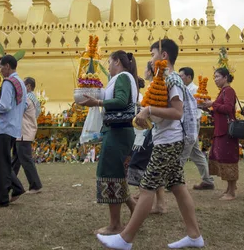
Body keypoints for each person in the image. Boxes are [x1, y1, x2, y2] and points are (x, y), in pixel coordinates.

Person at [97, 39, 204, 250]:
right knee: (178, 187)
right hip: (166, 139)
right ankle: (194, 235)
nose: (151, 59)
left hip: (169, 142)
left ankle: (125, 239)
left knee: (147, 189)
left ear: (164, 56)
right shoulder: (164, 78)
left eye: (153, 54)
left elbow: (177, 112)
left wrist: (149, 110)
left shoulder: (172, 79)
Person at [80, 51, 138, 235]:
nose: (108, 65)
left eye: (110, 61)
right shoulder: (122, 78)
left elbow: (121, 100)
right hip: (118, 130)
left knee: (111, 173)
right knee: (117, 173)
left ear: (118, 62)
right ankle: (134, 209)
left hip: (119, 131)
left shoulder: (122, 77)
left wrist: (97, 101)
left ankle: (115, 225)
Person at [0, 55, 27, 207]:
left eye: (1, 67)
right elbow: (25, 106)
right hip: (14, 127)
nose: (0, 70)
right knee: (3, 162)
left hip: (4, 127)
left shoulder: (9, 82)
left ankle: (2, 198)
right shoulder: (21, 83)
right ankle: (16, 188)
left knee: (0, 164)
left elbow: (4, 106)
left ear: (7, 66)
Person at [127, 61, 166, 214]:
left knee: (142, 164)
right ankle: (159, 203)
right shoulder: (152, 87)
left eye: (146, 68)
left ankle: (156, 202)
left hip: (153, 131)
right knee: (151, 165)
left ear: (151, 71)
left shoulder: (156, 88)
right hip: (148, 131)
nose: (144, 71)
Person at [201, 68, 238, 200]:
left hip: (227, 131)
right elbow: (219, 111)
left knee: (228, 159)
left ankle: (232, 192)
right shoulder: (223, 91)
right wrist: (209, 109)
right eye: (214, 77)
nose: (215, 79)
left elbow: (228, 108)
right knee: (223, 158)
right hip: (221, 130)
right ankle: (229, 188)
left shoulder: (228, 91)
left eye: (218, 77)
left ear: (226, 77)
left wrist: (213, 104)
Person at [178, 67, 214, 191]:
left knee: (183, 152)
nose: (180, 78)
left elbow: (198, 105)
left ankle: (174, 180)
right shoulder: (184, 88)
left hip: (192, 124)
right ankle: (207, 180)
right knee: (195, 153)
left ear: (189, 77)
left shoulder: (195, 90)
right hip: (186, 123)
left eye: (181, 76)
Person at [12, 77, 43, 195]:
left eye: (22, 85)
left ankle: (35, 185)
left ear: (28, 86)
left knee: (25, 160)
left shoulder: (26, 98)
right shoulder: (34, 99)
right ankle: (9, 182)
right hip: (25, 131)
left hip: (23, 133)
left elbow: (17, 110)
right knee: (16, 160)